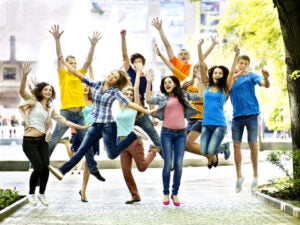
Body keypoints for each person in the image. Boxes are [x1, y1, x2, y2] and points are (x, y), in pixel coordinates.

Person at [48, 56, 155, 181]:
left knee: (111, 155)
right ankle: (62, 171)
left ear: (116, 82)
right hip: (95, 125)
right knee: (82, 149)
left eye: (115, 77)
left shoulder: (115, 92)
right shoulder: (96, 84)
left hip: (108, 126)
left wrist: (146, 110)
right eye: (111, 74)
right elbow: (77, 73)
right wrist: (64, 63)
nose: (111, 77)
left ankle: (132, 135)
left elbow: (130, 104)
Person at [19, 63, 89, 206]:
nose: (48, 91)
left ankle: (42, 194)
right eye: (46, 89)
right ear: (40, 91)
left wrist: (81, 126)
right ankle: (31, 194)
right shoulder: (33, 101)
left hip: (42, 142)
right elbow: (21, 91)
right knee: (38, 167)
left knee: (45, 168)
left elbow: (64, 121)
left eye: (50, 90)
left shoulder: (50, 109)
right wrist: (25, 75)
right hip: (29, 141)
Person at [154, 44, 230, 166]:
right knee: (184, 145)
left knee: (185, 144)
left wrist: (206, 46)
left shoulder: (207, 83)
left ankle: (218, 150)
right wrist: (161, 55)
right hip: (190, 119)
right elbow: (171, 66)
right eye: (195, 69)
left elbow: (202, 59)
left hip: (201, 118)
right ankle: (215, 152)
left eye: (200, 69)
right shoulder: (187, 81)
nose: (196, 70)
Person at [48, 24, 103, 180]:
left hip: (79, 114)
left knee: (88, 143)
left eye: (74, 64)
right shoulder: (63, 74)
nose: (73, 65)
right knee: (53, 140)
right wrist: (57, 40)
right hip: (65, 114)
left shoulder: (80, 75)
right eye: (70, 63)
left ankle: (93, 168)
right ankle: (37, 164)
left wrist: (92, 45)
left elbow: (88, 60)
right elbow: (59, 56)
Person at [146, 73, 200, 207]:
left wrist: (200, 79)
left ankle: (174, 193)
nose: (167, 84)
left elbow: (200, 95)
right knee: (168, 163)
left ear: (175, 84)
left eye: (170, 82)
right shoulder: (162, 97)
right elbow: (148, 99)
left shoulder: (183, 95)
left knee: (178, 165)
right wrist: (148, 82)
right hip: (166, 134)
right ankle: (165, 192)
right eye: (165, 83)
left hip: (181, 135)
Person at [118, 64, 160, 204]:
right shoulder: (119, 108)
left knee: (141, 168)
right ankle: (135, 195)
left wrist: (138, 73)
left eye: (131, 95)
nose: (129, 96)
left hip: (133, 142)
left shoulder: (134, 108)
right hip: (121, 143)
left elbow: (136, 89)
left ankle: (153, 150)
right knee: (125, 172)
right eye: (127, 94)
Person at [229, 54, 270, 193]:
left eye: (246, 63)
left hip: (252, 115)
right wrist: (237, 74)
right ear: (236, 64)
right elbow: (226, 87)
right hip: (237, 116)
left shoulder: (251, 76)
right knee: (236, 146)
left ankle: (255, 176)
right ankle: (239, 176)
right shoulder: (231, 78)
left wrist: (266, 78)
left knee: (253, 145)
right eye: (241, 63)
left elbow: (265, 85)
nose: (243, 65)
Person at [197, 39, 240, 168]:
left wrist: (236, 55)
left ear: (223, 76)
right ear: (212, 75)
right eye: (215, 72)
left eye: (220, 73)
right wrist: (199, 46)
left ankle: (223, 147)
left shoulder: (225, 89)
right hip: (206, 124)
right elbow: (200, 63)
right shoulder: (206, 85)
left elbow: (232, 72)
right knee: (203, 151)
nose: (217, 74)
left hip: (219, 125)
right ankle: (221, 148)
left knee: (210, 151)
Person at [120, 29, 162, 155]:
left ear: (143, 64)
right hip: (128, 111)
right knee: (123, 138)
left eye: (139, 62)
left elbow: (149, 98)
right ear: (132, 64)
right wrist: (123, 38)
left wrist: (153, 116)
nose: (137, 63)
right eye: (135, 62)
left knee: (154, 135)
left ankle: (167, 160)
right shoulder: (130, 73)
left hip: (141, 111)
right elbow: (125, 56)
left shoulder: (146, 78)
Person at [151, 17, 218, 79]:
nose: (183, 55)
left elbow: (203, 56)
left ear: (189, 57)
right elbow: (168, 46)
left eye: (185, 54)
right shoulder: (175, 62)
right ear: (177, 57)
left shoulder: (193, 67)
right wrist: (160, 30)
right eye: (181, 54)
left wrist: (213, 44)